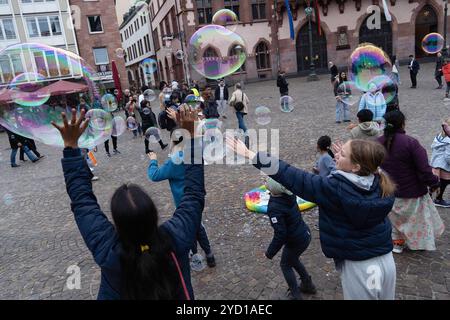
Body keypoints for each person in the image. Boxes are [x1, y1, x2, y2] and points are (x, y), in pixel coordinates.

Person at [52, 107, 205, 300]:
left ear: (117, 223)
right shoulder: (177, 237)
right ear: (154, 214)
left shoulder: (108, 250)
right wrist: (190, 138)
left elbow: (82, 202)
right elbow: (194, 194)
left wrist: (71, 148)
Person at [226, 137, 397, 300]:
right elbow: (366, 170)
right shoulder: (379, 182)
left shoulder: (332, 189)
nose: (335, 154)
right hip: (386, 261)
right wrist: (345, 160)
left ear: (356, 167)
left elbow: (292, 175)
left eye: (342, 154)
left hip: (361, 267)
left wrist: (251, 154)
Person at [378, 110, 445, 254]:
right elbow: (424, 169)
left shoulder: (377, 142)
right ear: (402, 124)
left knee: (394, 220)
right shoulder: (410, 143)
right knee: (414, 221)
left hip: (387, 191)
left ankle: (396, 244)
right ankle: (417, 243)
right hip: (411, 192)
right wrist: (434, 183)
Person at [147, 136, 216, 269]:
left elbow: (154, 175)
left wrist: (153, 161)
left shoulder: (173, 161)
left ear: (173, 143)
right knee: (198, 226)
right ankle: (209, 255)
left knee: (189, 228)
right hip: (197, 199)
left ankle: (195, 256)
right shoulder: (193, 154)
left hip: (182, 202)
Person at [264, 177, 316, 300]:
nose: (264, 181)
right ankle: (308, 284)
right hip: (304, 233)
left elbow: (280, 234)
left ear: (275, 189)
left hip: (296, 241)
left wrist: (269, 252)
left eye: (267, 181)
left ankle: (295, 295)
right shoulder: (288, 195)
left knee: (285, 264)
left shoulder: (274, 208)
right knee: (293, 259)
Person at [431, 119, 450, 207]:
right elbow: (448, 157)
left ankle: (434, 198)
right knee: (443, 182)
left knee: (438, 182)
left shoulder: (440, 136)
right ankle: (438, 199)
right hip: (444, 166)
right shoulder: (449, 141)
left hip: (437, 163)